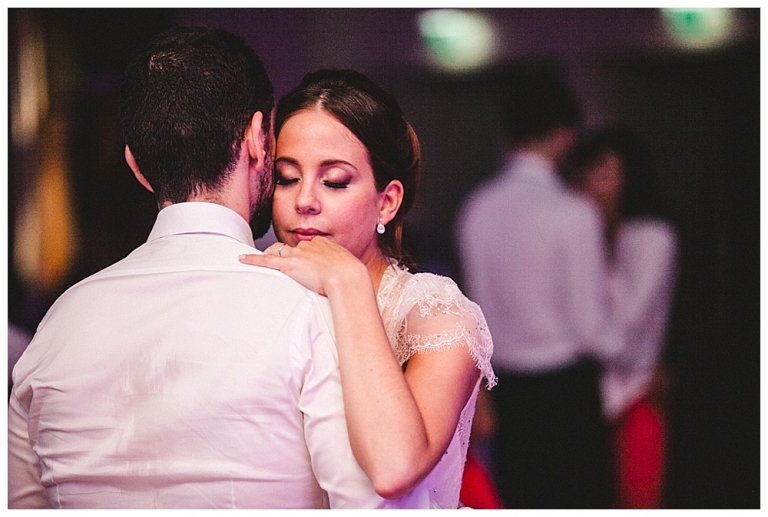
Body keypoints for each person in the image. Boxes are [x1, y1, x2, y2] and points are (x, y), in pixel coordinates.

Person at [8, 27, 405, 509]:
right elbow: (370, 506)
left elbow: (21, 504)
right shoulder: (307, 312)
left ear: (136, 166)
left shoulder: (56, 327)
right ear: (258, 140)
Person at [238, 68, 496, 509]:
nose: (304, 201)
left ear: (387, 201)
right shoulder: (259, 292)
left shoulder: (437, 314)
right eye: (287, 177)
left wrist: (348, 283)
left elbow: (395, 468)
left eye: (334, 181)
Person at [455, 70, 620, 508]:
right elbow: (590, 326)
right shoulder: (574, 212)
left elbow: (477, 310)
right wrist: (629, 352)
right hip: (567, 391)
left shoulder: (477, 209)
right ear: (566, 135)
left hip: (508, 391)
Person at [561, 127, 678, 508]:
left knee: (636, 501)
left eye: (604, 173)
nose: (592, 184)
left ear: (630, 177)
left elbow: (626, 324)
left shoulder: (652, 237)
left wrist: (592, 241)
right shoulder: (597, 233)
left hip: (634, 394)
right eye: (588, 173)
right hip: (592, 396)